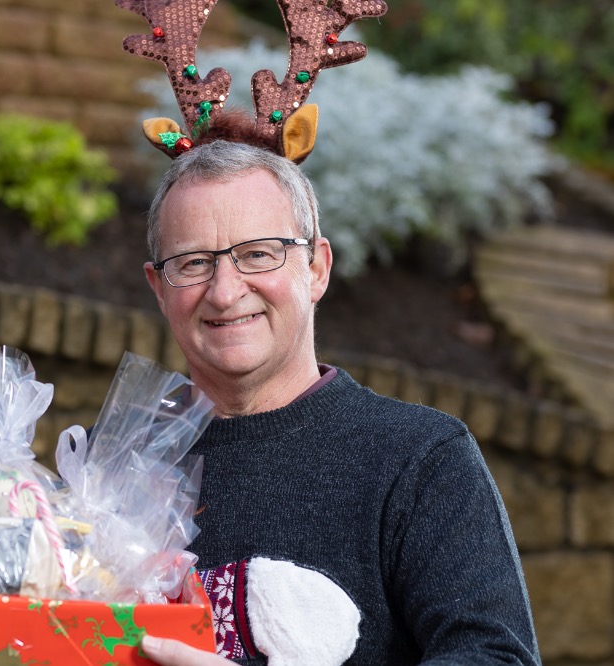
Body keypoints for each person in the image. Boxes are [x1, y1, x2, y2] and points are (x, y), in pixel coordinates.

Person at [132, 140, 541, 665]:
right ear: (159, 288)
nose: (225, 290)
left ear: (317, 268)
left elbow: (495, 657)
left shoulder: (419, 458)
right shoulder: (116, 465)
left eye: (258, 253)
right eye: (193, 263)